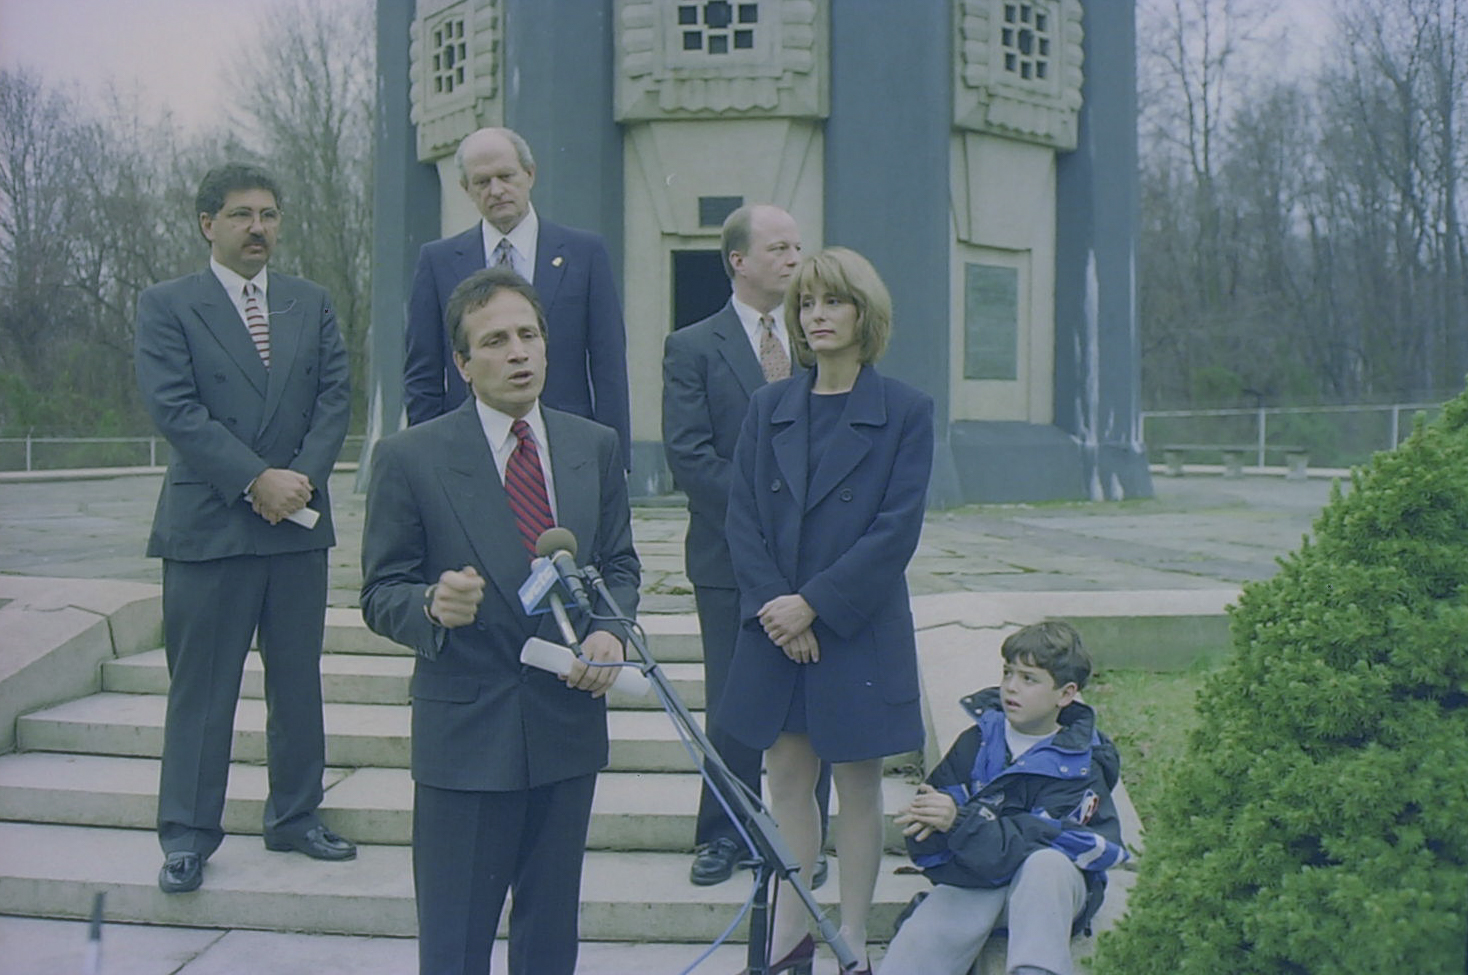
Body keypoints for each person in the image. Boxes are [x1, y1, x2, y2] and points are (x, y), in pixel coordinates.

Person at [361, 267, 640, 975]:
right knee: (456, 943)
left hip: (566, 725)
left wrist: (609, 631)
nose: (518, 352)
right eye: (494, 341)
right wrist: (431, 604)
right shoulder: (410, 457)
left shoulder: (594, 446)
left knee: (549, 941)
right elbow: (380, 591)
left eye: (528, 334)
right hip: (468, 734)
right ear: (462, 363)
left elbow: (619, 566)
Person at [135, 162, 354, 895]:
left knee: (297, 685)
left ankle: (296, 816)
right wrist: (257, 479)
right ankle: (187, 835)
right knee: (203, 691)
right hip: (210, 526)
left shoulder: (309, 302)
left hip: (297, 524)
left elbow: (334, 399)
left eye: (268, 214)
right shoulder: (168, 305)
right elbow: (176, 409)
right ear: (208, 224)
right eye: (240, 215)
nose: (257, 228)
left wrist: (300, 480)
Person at [718, 247, 934, 973]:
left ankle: (853, 937)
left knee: (856, 784)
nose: (816, 316)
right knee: (786, 779)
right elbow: (743, 518)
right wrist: (780, 612)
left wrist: (814, 604)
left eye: (832, 301)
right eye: (806, 304)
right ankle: (790, 936)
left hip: (854, 625)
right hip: (778, 628)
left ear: (864, 313)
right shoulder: (769, 406)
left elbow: (895, 531)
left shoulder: (906, 411)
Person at [661, 203, 830, 888]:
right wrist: (768, 515)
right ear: (738, 261)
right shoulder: (693, 346)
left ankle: (806, 839)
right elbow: (689, 456)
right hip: (728, 557)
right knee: (734, 702)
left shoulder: (817, 341)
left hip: (813, 559)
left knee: (810, 701)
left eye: (797, 246)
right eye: (778, 248)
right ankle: (723, 833)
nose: (794, 259)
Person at [880, 622, 1129, 975]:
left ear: (1065, 694)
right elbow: (930, 848)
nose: (1011, 686)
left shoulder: (1080, 764)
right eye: (1008, 672)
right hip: (982, 879)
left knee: (1046, 864)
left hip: (1053, 896)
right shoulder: (979, 740)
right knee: (931, 924)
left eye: (1029, 679)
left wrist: (959, 823)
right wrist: (932, 821)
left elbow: (1036, 842)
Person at [403, 126, 631, 468]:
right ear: (466, 189)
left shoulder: (584, 254)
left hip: (566, 449)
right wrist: (425, 461)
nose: (496, 190)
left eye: (506, 176)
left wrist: (616, 464)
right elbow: (423, 374)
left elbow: (609, 366)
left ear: (530, 174)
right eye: (482, 182)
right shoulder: (438, 262)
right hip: (468, 452)